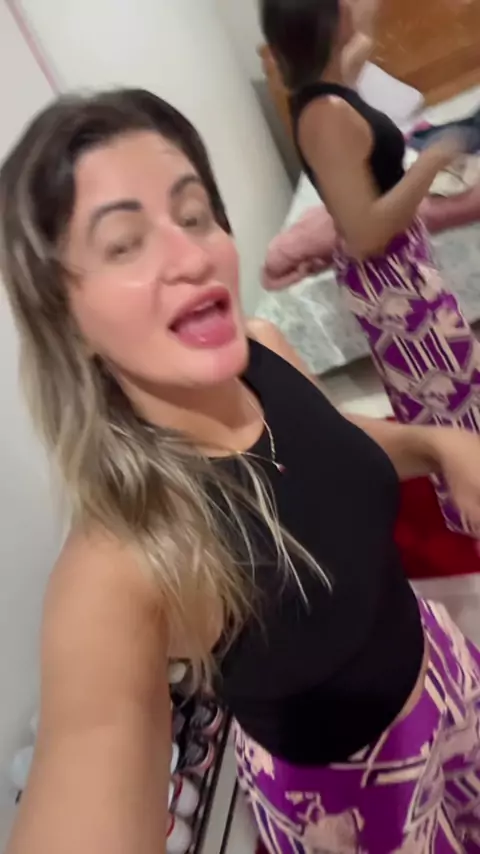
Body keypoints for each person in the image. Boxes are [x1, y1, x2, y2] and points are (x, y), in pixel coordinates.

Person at [1, 88, 480, 854]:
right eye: (125, 244)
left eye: (194, 215)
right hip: (353, 805)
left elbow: (328, 443)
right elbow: (88, 761)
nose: (194, 257)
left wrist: (433, 445)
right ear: (65, 317)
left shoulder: (261, 349)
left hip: (443, 677)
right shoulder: (119, 558)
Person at [260, 0, 480, 538]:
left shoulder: (331, 77)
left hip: (404, 266)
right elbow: (363, 236)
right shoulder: (326, 115)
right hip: (389, 283)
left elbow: (364, 33)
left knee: (457, 384)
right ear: (329, 19)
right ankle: (470, 515)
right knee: (443, 398)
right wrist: (431, 162)